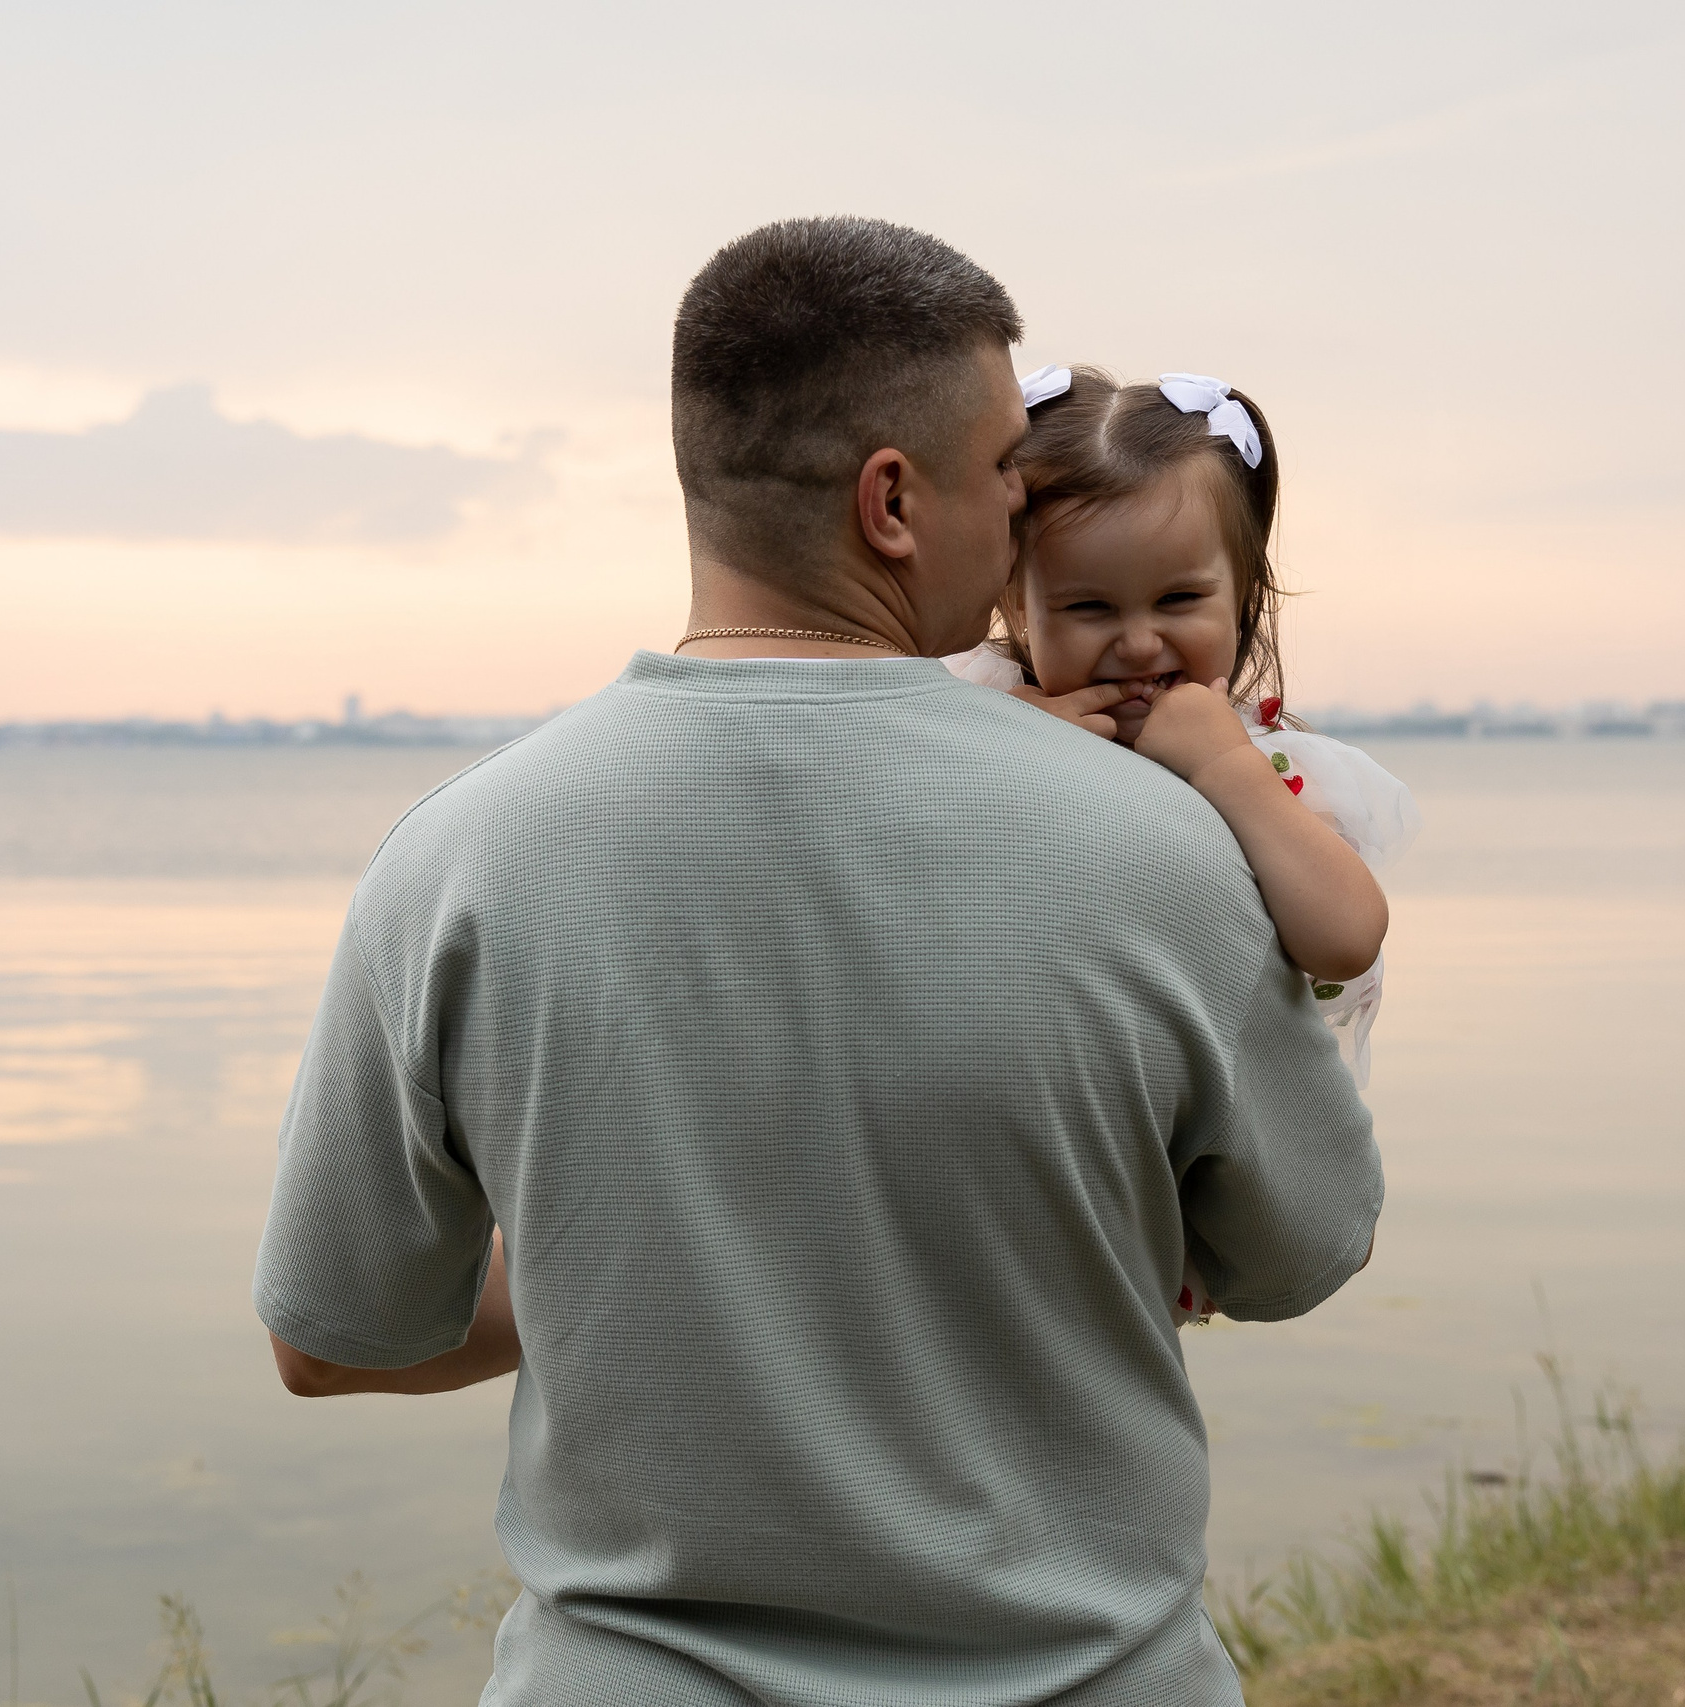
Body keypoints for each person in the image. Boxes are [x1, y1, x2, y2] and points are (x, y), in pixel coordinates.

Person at [252, 217, 1384, 1707]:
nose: (1017, 515)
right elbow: (1296, 1252)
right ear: (894, 501)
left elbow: (332, 1340)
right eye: (1004, 474)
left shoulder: (454, 860)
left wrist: (660, 1258)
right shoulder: (1167, 849)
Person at [946, 366, 1422, 1104]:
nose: (1139, 643)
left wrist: (1226, 767)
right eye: (1089, 607)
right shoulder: (978, 718)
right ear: (1017, 601)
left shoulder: (1271, 768)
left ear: (1243, 596)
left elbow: (1350, 936)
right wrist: (1000, 747)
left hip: (1204, 1120)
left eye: (1178, 599)